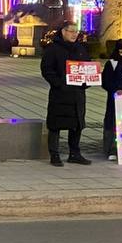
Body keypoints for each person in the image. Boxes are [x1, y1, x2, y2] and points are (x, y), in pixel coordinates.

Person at [40, 21, 93, 167]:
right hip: (60, 93)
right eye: (71, 31)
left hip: (77, 93)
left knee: (77, 124)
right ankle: (54, 154)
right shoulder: (53, 49)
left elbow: (88, 67)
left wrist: (87, 81)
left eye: (76, 31)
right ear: (63, 32)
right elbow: (47, 70)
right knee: (56, 124)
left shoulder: (81, 49)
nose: (74, 34)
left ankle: (74, 153)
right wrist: (58, 84)